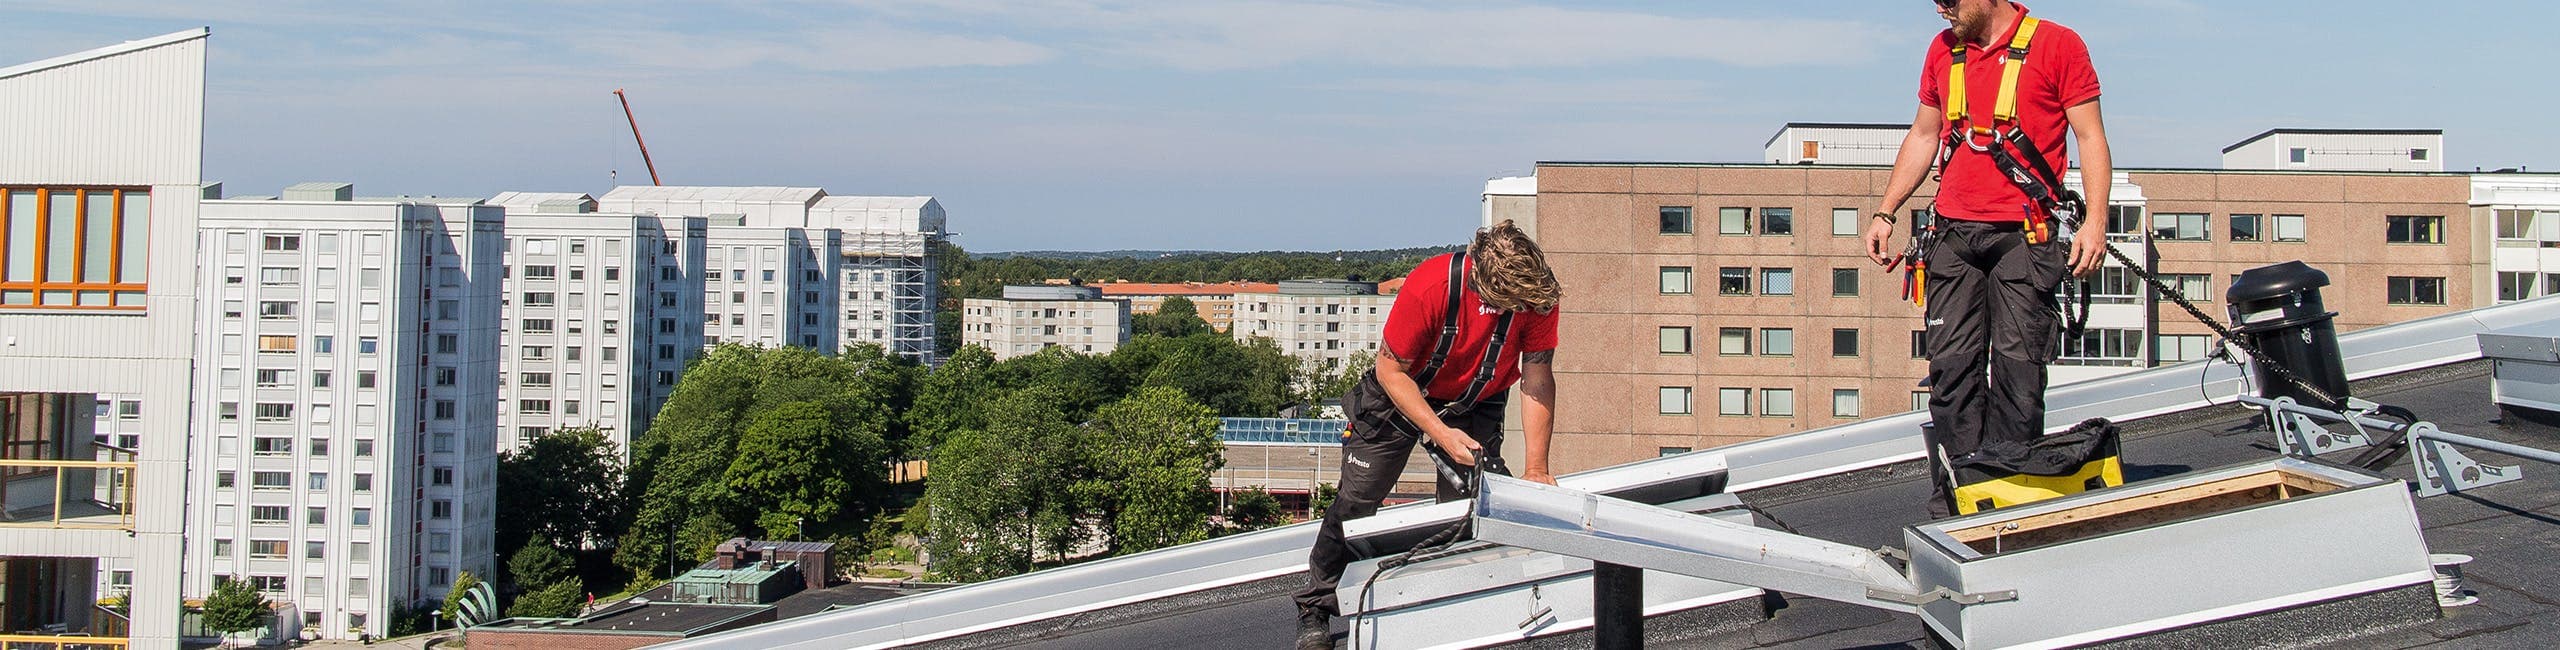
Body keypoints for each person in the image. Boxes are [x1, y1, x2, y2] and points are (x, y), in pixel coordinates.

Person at [1862, 0, 2113, 517]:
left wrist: (2096, 222)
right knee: (1951, 371)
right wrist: (1887, 211)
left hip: (2025, 234)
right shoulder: (1943, 51)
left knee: (2019, 371)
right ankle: (1958, 498)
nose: (1941, 9)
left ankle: (2011, 493)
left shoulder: (2057, 45)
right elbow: (1924, 135)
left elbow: (2090, 137)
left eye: (1949, 0)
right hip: (1955, 234)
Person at [1294, 220, 1562, 650]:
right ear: (1488, 290)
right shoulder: (1431, 286)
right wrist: (1440, 432)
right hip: (1403, 390)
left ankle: (1452, 599)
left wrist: (1537, 468)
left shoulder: (1536, 297)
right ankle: (1316, 606)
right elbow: (1390, 370)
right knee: (1359, 498)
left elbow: (1536, 378)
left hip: (1477, 396)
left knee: (1472, 501)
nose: (1527, 310)